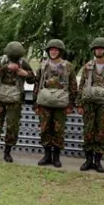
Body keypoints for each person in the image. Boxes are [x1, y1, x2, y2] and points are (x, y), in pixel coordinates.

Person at [0, 41, 34, 162]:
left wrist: (25, 73)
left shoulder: (23, 63)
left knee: (12, 126)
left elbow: (33, 79)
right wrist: (5, 67)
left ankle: (7, 152)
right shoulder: (1, 60)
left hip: (15, 98)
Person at [75, 37, 104, 173]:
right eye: (97, 48)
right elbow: (82, 85)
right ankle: (88, 160)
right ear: (93, 50)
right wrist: (79, 104)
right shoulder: (88, 67)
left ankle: (98, 161)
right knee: (88, 132)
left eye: (101, 48)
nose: (99, 50)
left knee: (101, 133)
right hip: (89, 104)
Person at [33, 39, 78, 168]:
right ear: (48, 51)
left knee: (58, 130)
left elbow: (73, 85)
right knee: (45, 128)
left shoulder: (67, 66)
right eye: (51, 50)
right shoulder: (43, 65)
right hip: (45, 103)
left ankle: (56, 157)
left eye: (56, 50)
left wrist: (71, 105)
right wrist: (35, 104)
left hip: (61, 103)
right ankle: (47, 155)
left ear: (60, 51)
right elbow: (37, 84)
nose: (53, 52)